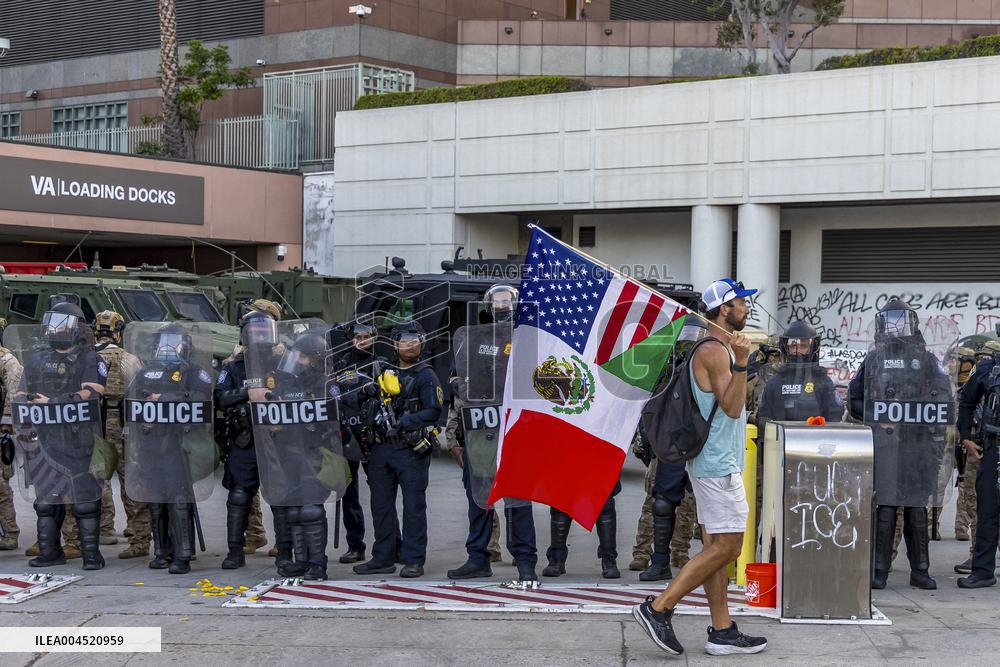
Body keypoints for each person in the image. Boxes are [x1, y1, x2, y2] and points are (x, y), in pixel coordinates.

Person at [633, 278, 766, 657]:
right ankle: (658, 608)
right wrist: (742, 362)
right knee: (728, 546)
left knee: (713, 546)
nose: (747, 308)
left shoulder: (716, 347)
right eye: (741, 302)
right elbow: (733, 407)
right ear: (724, 309)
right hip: (716, 464)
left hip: (714, 461)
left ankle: (722, 631)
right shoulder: (714, 351)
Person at [848, 299, 953, 590]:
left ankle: (920, 570)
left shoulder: (927, 360)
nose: (896, 327)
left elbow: (944, 398)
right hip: (885, 444)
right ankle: (879, 569)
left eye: (902, 320)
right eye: (891, 320)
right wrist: (879, 419)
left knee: (917, 507)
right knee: (886, 506)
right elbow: (854, 399)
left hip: (918, 445)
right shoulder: (873, 360)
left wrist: (925, 416)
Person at [444, 285, 538, 582]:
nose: (501, 305)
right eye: (496, 301)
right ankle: (478, 557)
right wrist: (455, 434)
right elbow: (455, 379)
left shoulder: (528, 339)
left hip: (515, 430)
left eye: (506, 300)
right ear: (488, 305)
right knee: (479, 498)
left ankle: (525, 561)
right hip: (480, 429)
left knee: (518, 498)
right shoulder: (473, 339)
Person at [17, 301, 108, 570]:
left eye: (62, 323)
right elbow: (21, 394)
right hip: (45, 440)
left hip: (79, 439)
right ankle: (50, 552)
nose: (55, 328)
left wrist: (53, 403)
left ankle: (91, 554)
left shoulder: (90, 358)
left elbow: (91, 393)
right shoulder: (36, 359)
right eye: (52, 322)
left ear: (76, 327)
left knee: (85, 500)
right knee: (46, 502)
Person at [354, 320, 443, 579]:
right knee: (381, 506)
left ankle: (414, 559)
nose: (410, 344)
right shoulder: (383, 372)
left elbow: (434, 410)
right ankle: (382, 557)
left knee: (414, 507)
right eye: (404, 340)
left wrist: (405, 422)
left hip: (410, 450)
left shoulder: (426, 375)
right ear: (394, 344)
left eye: (415, 340)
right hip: (381, 450)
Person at [127, 323, 214, 574]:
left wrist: (163, 399)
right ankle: (161, 551)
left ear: (185, 346)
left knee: (178, 499)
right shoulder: (146, 372)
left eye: (173, 342)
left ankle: (183, 554)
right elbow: (131, 399)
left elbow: (202, 398)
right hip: (152, 444)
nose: (167, 348)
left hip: (180, 445)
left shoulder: (194, 372)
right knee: (156, 500)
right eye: (163, 342)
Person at [216, 308, 297, 575]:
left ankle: (285, 553)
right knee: (239, 496)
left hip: (278, 439)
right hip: (245, 438)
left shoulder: (285, 363)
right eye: (255, 331)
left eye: (265, 330)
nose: (260, 335)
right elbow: (219, 397)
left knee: (281, 496)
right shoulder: (234, 366)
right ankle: (235, 551)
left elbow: (300, 391)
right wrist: (247, 392)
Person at [637, 319, 708, 583]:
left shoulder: (709, 362)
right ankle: (659, 561)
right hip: (673, 445)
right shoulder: (665, 369)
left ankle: (712, 562)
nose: (688, 343)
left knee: (707, 506)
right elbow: (651, 406)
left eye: (694, 336)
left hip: (703, 444)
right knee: (662, 502)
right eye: (686, 336)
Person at [93, 310, 150, 559]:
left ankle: (105, 528)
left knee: (99, 478)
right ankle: (138, 534)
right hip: (126, 425)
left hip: (96, 424)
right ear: (118, 333)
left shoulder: (87, 358)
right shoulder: (130, 359)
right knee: (131, 480)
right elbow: (141, 392)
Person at [331, 319, 380, 565]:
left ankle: (391, 545)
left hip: (373, 435)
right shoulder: (339, 364)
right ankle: (355, 546)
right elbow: (332, 393)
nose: (363, 340)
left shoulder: (383, 362)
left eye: (367, 336)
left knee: (382, 494)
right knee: (349, 494)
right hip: (347, 435)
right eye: (358, 336)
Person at [956, 343, 1000, 588]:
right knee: (988, 511)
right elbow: (966, 401)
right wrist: (966, 437)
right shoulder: (986, 368)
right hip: (994, 447)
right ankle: (983, 570)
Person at [757, 320, 842, 424]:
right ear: (786, 347)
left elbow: (835, 416)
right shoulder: (775, 382)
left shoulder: (822, 381)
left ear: (813, 347)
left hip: (816, 437)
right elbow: (764, 417)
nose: (798, 351)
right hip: (783, 438)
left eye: (804, 346)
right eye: (793, 346)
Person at [0, 318, 23, 551]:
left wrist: (6, 427)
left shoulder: (6, 360)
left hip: (0, 429)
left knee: (0, 486)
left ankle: (9, 532)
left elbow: (14, 393)